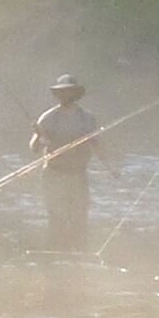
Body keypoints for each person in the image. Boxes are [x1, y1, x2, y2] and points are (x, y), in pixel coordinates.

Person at [29, 73, 101, 250]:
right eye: (61, 92)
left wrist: (111, 167)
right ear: (57, 95)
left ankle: (80, 253)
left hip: (78, 175)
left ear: (76, 94)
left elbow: (97, 145)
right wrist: (39, 135)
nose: (65, 96)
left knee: (80, 218)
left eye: (68, 92)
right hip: (54, 175)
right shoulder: (48, 117)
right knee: (56, 218)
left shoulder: (87, 119)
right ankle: (54, 251)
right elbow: (33, 148)